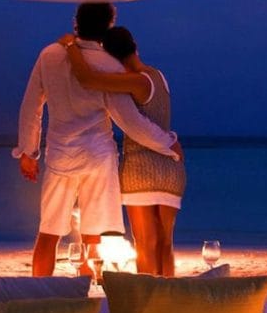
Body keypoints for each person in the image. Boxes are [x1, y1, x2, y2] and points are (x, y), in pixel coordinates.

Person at [15, 3, 183, 277]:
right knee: (92, 237)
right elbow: (129, 120)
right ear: (108, 26)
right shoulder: (108, 64)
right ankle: (86, 290)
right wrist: (166, 142)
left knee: (48, 232)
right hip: (98, 156)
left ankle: (39, 292)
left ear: (76, 22)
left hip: (60, 154)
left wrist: (28, 151)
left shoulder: (49, 55)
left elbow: (31, 105)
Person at [58, 27, 185, 276]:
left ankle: (149, 297)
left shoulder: (135, 81)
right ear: (134, 46)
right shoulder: (158, 76)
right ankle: (168, 293)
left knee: (145, 243)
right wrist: (170, 142)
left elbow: (87, 79)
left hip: (141, 168)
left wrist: (71, 47)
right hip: (172, 169)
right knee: (165, 243)